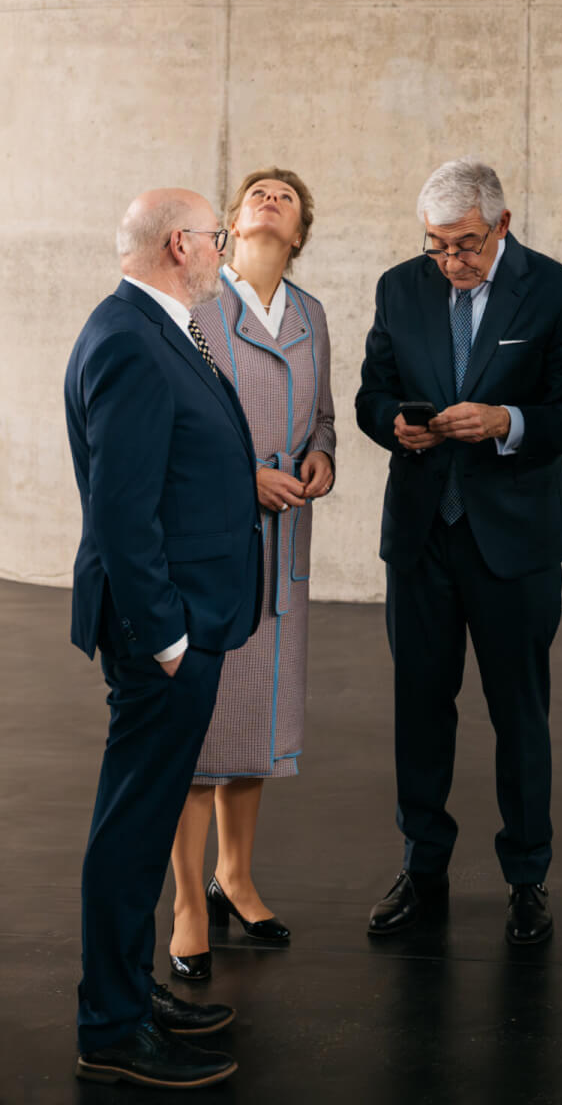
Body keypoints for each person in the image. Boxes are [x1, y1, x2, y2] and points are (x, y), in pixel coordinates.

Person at [357, 159, 562, 947]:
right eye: (436, 245)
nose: (450, 262)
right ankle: (422, 868)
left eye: (466, 245)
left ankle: (527, 876)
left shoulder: (555, 289)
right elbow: (371, 392)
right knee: (420, 707)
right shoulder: (399, 287)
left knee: (520, 714)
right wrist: (394, 422)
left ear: (503, 224)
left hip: (515, 539)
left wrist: (505, 422)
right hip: (422, 535)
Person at [66, 189, 263, 1090]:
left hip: (186, 614)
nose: (224, 248)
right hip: (166, 628)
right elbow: (121, 510)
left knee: (141, 824)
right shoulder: (130, 340)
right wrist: (168, 638)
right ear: (181, 244)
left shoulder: (155, 329)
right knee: (134, 826)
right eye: (216, 236)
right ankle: (110, 1026)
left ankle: (128, 994)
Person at [166, 169, 336, 981]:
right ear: (232, 223)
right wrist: (244, 481)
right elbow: (175, 427)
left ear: (299, 233)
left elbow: (323, 416)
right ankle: (188, 906)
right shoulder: (196, 307)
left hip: (285, 540)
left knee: (252, 728)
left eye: (285, 196)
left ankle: (234, 878)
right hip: (214, 538)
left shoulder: (311, 314)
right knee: (200, 735)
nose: (270, 199)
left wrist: (322, 456)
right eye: (256, 193)